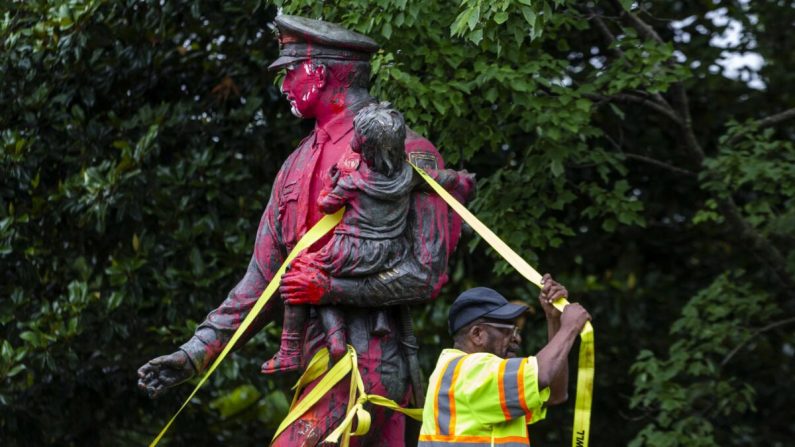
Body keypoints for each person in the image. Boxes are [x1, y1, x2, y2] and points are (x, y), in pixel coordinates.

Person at [137, 15, 474, 446]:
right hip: (316, 370)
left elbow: (424, 273)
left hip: (372, 368)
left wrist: (329, 287)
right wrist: (195, 353)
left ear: (319, 72)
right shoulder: (293, 166)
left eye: (290, 71)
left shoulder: (404, 151)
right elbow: (261, 282)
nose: (284, 86)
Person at [263, 101, 474, 373]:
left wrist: (334, 178)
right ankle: (336, 338)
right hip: (388, 253)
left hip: (351, 248)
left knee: (299, 272)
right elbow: (439, 179)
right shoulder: (409, 175)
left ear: (363, 144)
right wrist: (461, 180)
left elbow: (326, 203)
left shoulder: (354, 181)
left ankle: (291, 349)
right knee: (317, 276)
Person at [419, 274, 591, 446]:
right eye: (508, 331)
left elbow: (555, 394)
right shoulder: (471, 371)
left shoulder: (465, 374)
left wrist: (553, 319)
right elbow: (541, 375)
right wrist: (569, 328)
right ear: (477, 334)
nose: (517, 339)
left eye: (518, 331)